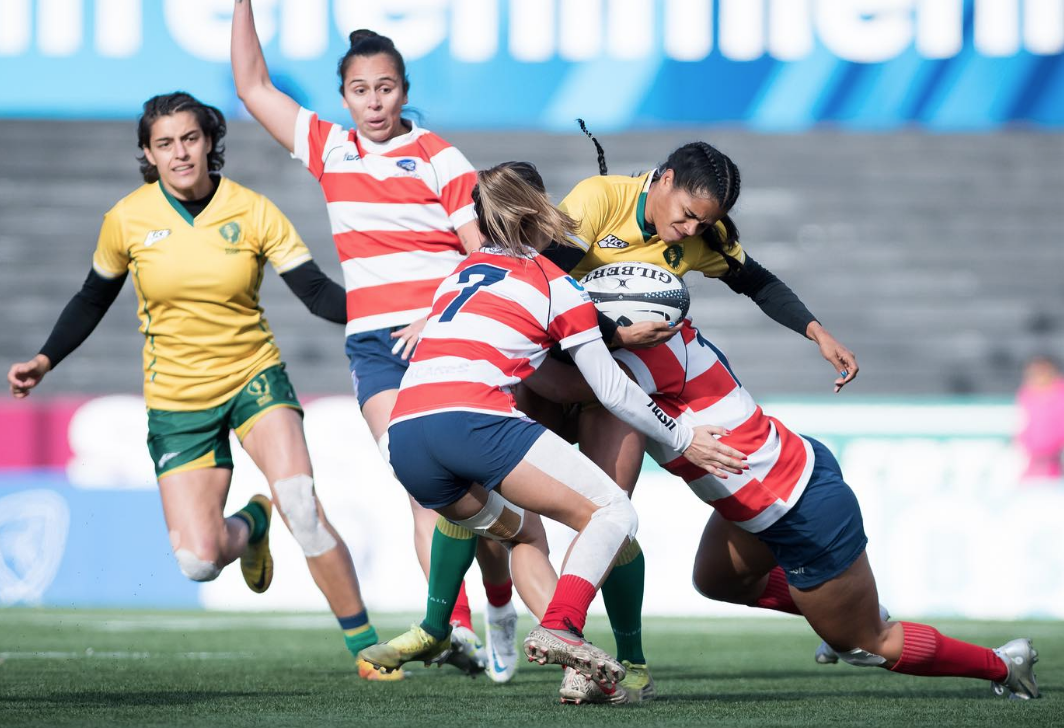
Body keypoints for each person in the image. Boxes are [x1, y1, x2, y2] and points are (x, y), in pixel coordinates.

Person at [5, 92, 394, 680]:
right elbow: (92, 298)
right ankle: (252, 525)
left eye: (189, 138)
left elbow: (315, 292)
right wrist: (44, 358)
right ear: (148, 153)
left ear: (210, 141)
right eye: (165, 143)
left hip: (253, 377)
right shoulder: (128, 218)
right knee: (198, 561)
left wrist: (385, 309)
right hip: (177, 400)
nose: (180, 152)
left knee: (302, 505)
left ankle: (367, 649)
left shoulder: (254, 209)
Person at [356, 161, 748, 691]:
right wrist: (681, 436)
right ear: (542, 212)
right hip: (474, 422)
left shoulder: (461, 275)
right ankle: (564, 627)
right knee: (613, 511)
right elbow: (610, 389)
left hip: (404, 437)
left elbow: (551, 380)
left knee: (522, 534)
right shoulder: (554, 282)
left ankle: (442, 628)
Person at [230, 0, 516, 679]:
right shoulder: (331, 148)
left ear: (404, 92)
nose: (374, 101)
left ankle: (501, 602)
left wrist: (439, 315)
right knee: (425, 487)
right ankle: (457, 628)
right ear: (344, 97)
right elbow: (252, 86)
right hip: (376, 349)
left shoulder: (439, 156)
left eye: (385, 87)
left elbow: (483, 258)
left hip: (449, 344)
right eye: (360, 90)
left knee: (477, 496)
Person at [524, 135, 859, 701]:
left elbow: (758, 282)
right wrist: (614, 333)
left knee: (610, 513)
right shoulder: (598, 199)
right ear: (664, 179)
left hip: (616, 390)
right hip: (552, 365)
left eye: (705, 224)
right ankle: (454, 624)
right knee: (495, 506)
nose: (691, 232)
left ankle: (618, 659)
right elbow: (541, 291)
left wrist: (817, 332)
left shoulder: (708, 235)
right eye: (686, 217)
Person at [558, 314, 1040, 703]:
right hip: (778, 485)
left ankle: (1003, 663)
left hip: (798, 509)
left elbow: (563, 386)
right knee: (717, 579)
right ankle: (845, 611)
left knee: (868, 642)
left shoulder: (639, 361)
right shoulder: (669, 334)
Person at [1016, 355, 1064, 486]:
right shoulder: (1026, 395)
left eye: (1042, 372)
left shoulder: (1060, 394)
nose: (1037, 377)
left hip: (1056, 461)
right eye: (1033, 374)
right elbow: (1023, 424)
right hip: (1033, 462)